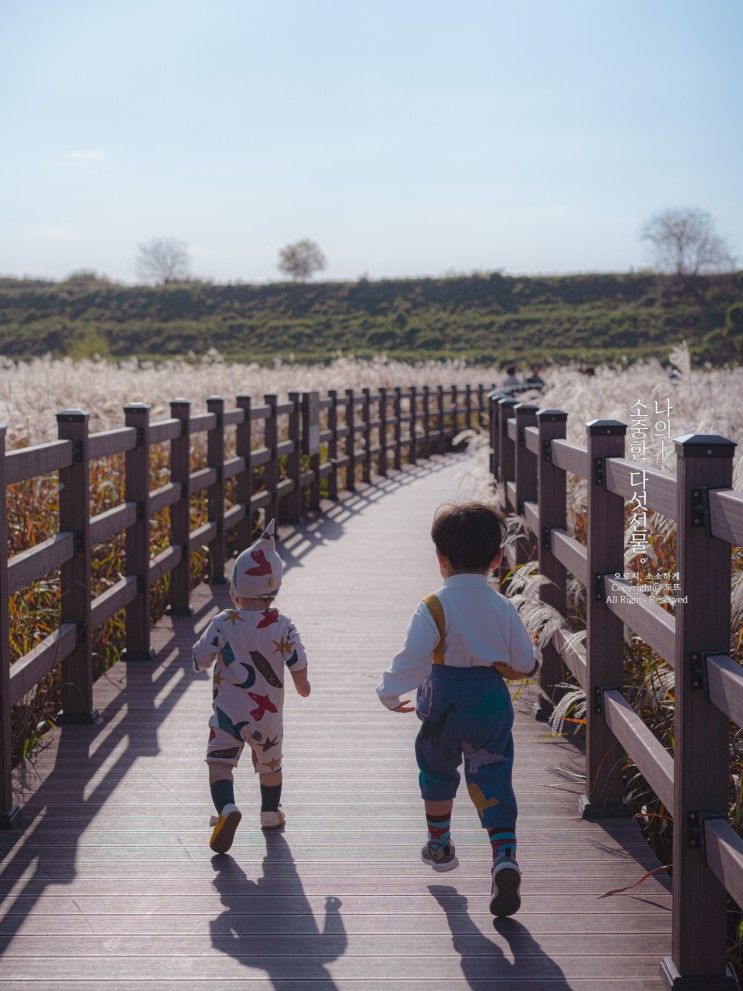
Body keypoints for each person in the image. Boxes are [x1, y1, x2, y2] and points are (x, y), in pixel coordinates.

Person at [376, 502, 541, 917]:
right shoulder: (502, 607)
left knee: (436, 770)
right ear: (497, 558)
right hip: (488, 699)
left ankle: (439, 844)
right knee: (494, 774)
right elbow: (524, 663)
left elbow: (412, 660)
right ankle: (504, 855)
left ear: (440, 559)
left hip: (441, 700)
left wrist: (390, 692)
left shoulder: (433, 606)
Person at [192, 520, 310, 854]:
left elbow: (200, 658)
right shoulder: (283, 626)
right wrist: (303, 685)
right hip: (267, 716)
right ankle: (270, 813)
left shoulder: (223, 622)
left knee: (220, 764)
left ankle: (226, 808)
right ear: (274, 591)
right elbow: (298, 661)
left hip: (228, 712)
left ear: (234, 592)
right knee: (270, 763)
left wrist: (200, 660)